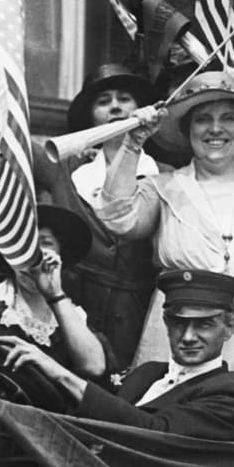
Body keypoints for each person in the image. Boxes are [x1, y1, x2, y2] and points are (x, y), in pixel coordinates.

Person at [95, 70, 234, 440]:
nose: (216, 129)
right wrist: (132, 144)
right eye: (203, 119)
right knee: (168, 437)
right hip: (179, 330)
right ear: (187, 130)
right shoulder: (163, 188)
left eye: (228, 118)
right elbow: (118, 217)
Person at [0, 270, 234, 439]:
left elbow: (155, 433)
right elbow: (96, 412)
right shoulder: (148, 373)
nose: (188, 337)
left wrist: (59, 373)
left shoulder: (230, 396)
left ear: (230, 326)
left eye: (204, 325)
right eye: (179, 323)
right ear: (166, 323)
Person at [33, 64, 159, 368]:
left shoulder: (164, 176)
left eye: (124, 99)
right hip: (75, 309)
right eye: (103, 101)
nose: (115, 107)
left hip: (137, 315)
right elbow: (14, 144)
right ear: (90, 116)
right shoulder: (64, 169)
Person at [0, 203, 113, 380]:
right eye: (24, 245)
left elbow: (94, 367)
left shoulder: (73, 317)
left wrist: (54, 294)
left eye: (46, 243)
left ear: (60, 255)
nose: (33, 257)